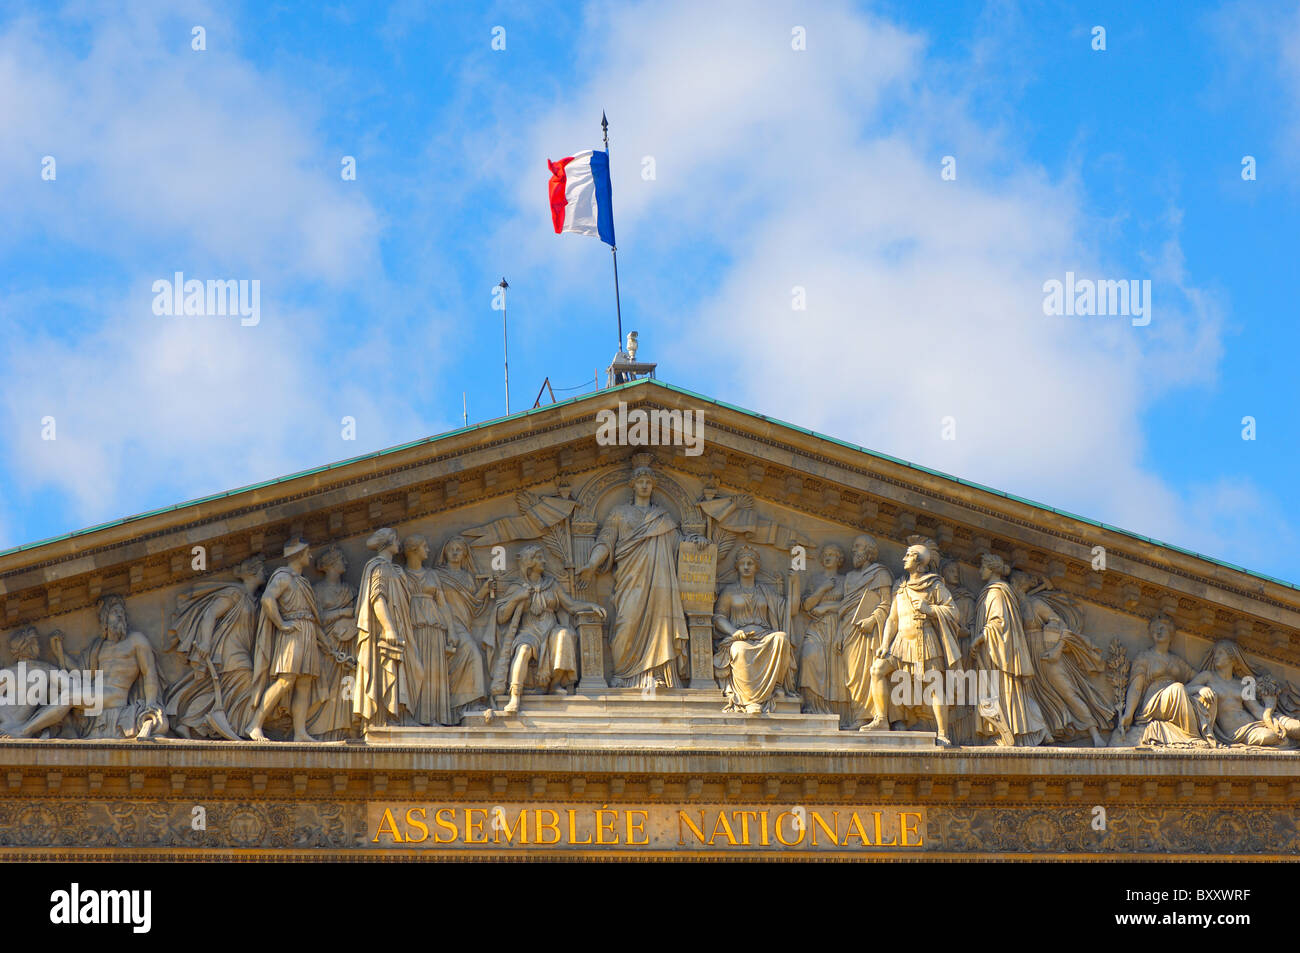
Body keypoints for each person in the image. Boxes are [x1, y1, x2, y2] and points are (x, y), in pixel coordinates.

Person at [577, 463, 696, 690]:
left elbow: (680, 546)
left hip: (661, 584)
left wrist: (698, 544)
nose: (644, 486)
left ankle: (657, 674)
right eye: (640, 481)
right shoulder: (619, 513)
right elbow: (605, 541)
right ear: (633, 485)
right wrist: (592, 564)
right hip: (630, 580)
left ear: (653, 486)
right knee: (626, 623)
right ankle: (623, 674)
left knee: (661, 625)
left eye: (648, 482)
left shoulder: (662, 517)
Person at [861, 536, 962, 746]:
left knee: (934, 685)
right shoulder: (901, 586)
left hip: (925, 641)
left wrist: (930, 609)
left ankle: (943, 733)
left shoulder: (934, 585)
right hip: (900, 643)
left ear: (918, 561)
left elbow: (954, 612)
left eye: (908, 555)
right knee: (877, 670)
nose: (904, 558)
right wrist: (884, 645)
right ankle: (881, 719)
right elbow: (892, 618)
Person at [494, 544, 605, 715]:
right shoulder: (517, 587)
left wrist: (591, 605)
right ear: (529, 562)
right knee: (523, 650)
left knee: (565, 635)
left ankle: (555, 684)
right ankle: (515, 696)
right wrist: (516, 599)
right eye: (539, 558)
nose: (544, 561)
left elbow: (571, 605)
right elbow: (501, 616)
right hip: (528, 631)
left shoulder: (551, 585)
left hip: (550, 628)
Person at [165, 555, 265, 739]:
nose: (265, 573)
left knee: (219, 689)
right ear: (253, 572)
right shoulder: (235, 593)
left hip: (243, 647)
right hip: (228, 648)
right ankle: (239, 727)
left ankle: (188, 721)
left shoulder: (254, 600)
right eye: (261, 569)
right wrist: (204, 642)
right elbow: (210, 614)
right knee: (246, 680)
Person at [1010, 570, 1111, 746]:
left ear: (1018, 585)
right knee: (1030, 695)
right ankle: (1042, 733)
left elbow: (1061, 625)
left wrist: (1057, 650)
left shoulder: (1036, 604)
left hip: (1046, 654)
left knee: (1068, 692)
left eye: (1012, 584)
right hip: (1026, 656)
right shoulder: (1012, 606)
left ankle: (1095, 734)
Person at [52, 594, 166, 740]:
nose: (119, 615)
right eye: (114, 612)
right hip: (95, 696)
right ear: (104, 619)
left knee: (67, 697)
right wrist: (59, 652)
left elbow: (149, 672)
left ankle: (24, 730)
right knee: (53, 688)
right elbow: (82, 673)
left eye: (122, 613)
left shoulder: (136, 640)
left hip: (115, 696)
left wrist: (151, 704)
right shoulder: (98, 646)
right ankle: (64, 729)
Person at [248, 540, 323, 742]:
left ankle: (300, 732)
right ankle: (255, 724)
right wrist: (281, 624)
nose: (310, 557)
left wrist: (328, 645)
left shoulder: (302, 581)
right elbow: (267, 599)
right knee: (285, 681)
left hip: (307, 630)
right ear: (299, 555)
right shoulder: (284, 577)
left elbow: (313, 618)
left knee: (304, 683)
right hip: (292, 631)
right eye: (307, 552)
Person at [970, 553, 1048, 747]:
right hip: (993, 653)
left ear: (992, 569)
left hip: (998, 655)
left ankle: (1011, 732)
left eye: (983, 567)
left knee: (1001, 690)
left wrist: (979, 638)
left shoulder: (996, 592)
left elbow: (999, 622)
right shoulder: (993, 591)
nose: (980, 571)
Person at [712, 546, 795, 715]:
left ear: (757, 567)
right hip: (739, 638)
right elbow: (718, 617)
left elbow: (790, 610)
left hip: (764, 636)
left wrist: (796, 581)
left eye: (750, 563)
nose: (746, 566)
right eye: (742, 563)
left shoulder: (766, 592)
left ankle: (777, 686)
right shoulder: (729, 591)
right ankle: (750, 700)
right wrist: (733, 631)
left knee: (781, 638)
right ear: (737, 566)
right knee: (740, 651)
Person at [1112, 613, 1215, 747]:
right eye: (1155, 629)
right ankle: (1192, 737)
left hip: (1176, 696)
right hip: (1153, 701)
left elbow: (1197, 677)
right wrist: (1128, 714)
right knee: (1177, 688)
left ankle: (1200, 734)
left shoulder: (1176, 661)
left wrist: (1211, 681)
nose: (1158, 631)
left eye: (1163, 628)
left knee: (1189, 691)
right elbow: (1136, 688)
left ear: (1171, 634)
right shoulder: (1144, 657)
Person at [353, 528, 419, 729]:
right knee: (387, 668)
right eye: (396, 539)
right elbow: (377, 598)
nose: (399, 543)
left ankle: (399, 716)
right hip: (385, 631)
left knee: (413, 671)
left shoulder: (392, 569)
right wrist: (388, 628)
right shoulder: (380, 568)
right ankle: (384, 718)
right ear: (388, 542)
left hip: (400, 626)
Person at [433, 535, 491, 719]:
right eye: (452, 549)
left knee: (472, 655)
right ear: (445, 552)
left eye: (459, 549)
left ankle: (466, 703)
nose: (455, 552)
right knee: (473, 654)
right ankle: (465, 703)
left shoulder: (467, 577)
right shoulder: (438, 575)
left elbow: (473, 604)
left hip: (463, 625)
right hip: (445, 625)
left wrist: (486, 589)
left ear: (465, 554)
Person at [308, 545, 359, 739]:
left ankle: (345, 727)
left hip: (347, 643)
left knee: (347, 684)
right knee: (325, 686)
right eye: (341, 560)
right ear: (330, 565)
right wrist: (341, 613)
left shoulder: (350, 590)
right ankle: (320, 730)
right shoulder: (317, 590)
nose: (345, 563)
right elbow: (315, 618)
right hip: (325, 645)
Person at [403, 534, 453, 726]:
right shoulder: (401, 574)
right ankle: (415, 716)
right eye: (425, 546)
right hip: (413, 626)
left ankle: (436, 717)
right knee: (416, 670)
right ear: (414, 550)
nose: (429, 550)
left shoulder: (432, 575)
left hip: (435, 626)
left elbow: (442, 604)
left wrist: (452, 632)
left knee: (435, 672)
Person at [798, 544, 850, 721]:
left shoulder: (846, 580)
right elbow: (806, 606)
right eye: (825, 555)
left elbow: (851, 605)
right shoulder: (815, 579)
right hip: (816, 627)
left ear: (839, 559)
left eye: (832, 554)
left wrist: (827, 607)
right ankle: (812, 705)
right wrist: (822, 590)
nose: (828, 557)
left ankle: (837, 713)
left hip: (838, 628)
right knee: (809, 656)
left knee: (837, 668)